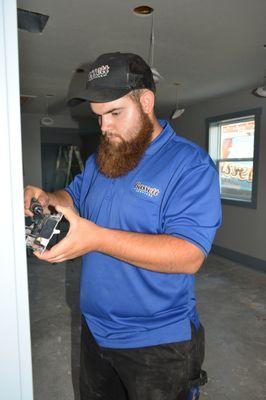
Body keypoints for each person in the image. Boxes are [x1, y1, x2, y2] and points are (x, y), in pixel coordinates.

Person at [24, 52, 222, 400]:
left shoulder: (190, 165)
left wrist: (96, 238)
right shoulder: (102, 158)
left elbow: (189, 254)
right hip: (95, 332)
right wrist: (45, 198)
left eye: (115, 113)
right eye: (98, 116)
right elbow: (71, 198)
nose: (104, 127)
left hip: (158, 345)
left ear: (146, 102)